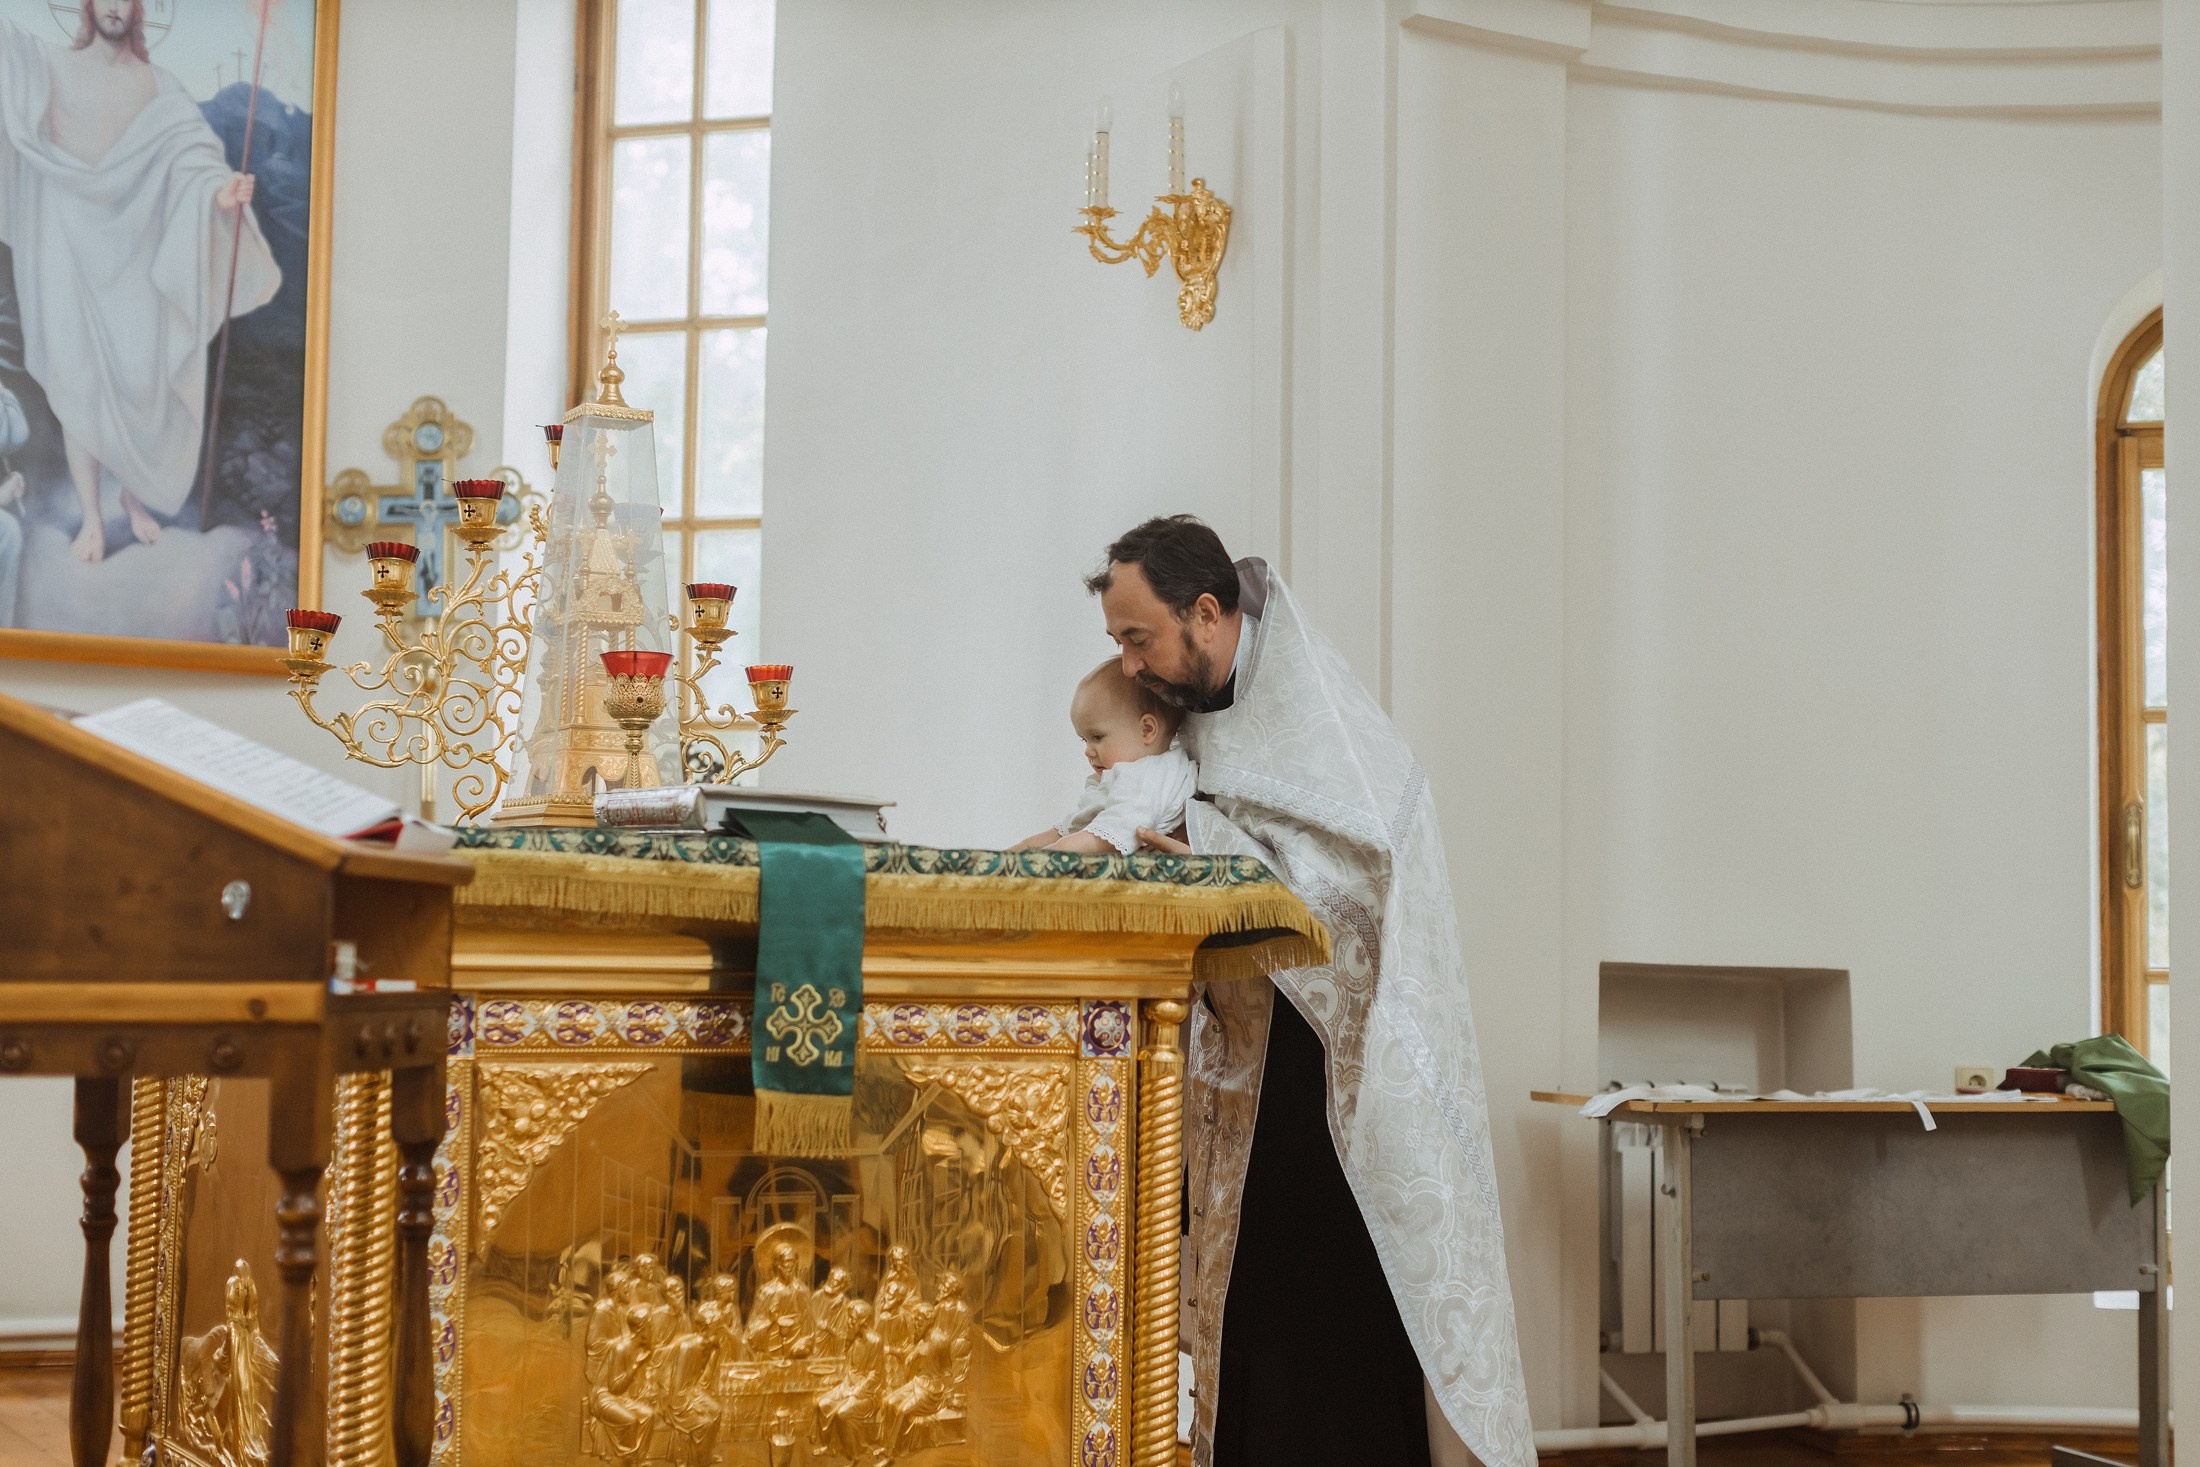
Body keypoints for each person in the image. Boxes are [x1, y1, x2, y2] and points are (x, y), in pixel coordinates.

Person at [1086, 515, 1532, 1467]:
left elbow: (1353, 890)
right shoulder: (1191, 710)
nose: (1130, 666)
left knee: (1329, 1324)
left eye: (1139, 637)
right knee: (1250, 1313)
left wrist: (1207, 851)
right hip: (1244, 1077)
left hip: (1339, 1085)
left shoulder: (1318, 717)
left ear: (1205, 613)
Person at [0, 0, 280, 561]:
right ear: (86, 8)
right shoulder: (49, 65)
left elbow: (196, 163)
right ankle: (93, 521)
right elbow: (9, 61)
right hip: (68, 250)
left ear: (138, 10)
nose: (112, 7)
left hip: (137, 258)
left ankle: (133, 498)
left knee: (142, 386)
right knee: (77, 380)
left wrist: (220, 195)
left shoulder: (161, 85)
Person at [1010, 658, 1196, 855]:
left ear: (1147, 730)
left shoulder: (1150, 778)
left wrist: (1042, 858)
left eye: (1097, 737)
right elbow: (1068, 830)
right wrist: (1018, 851)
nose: (1088, 751)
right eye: (1084, 740)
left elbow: (1106, 837)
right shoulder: (1119, 778)